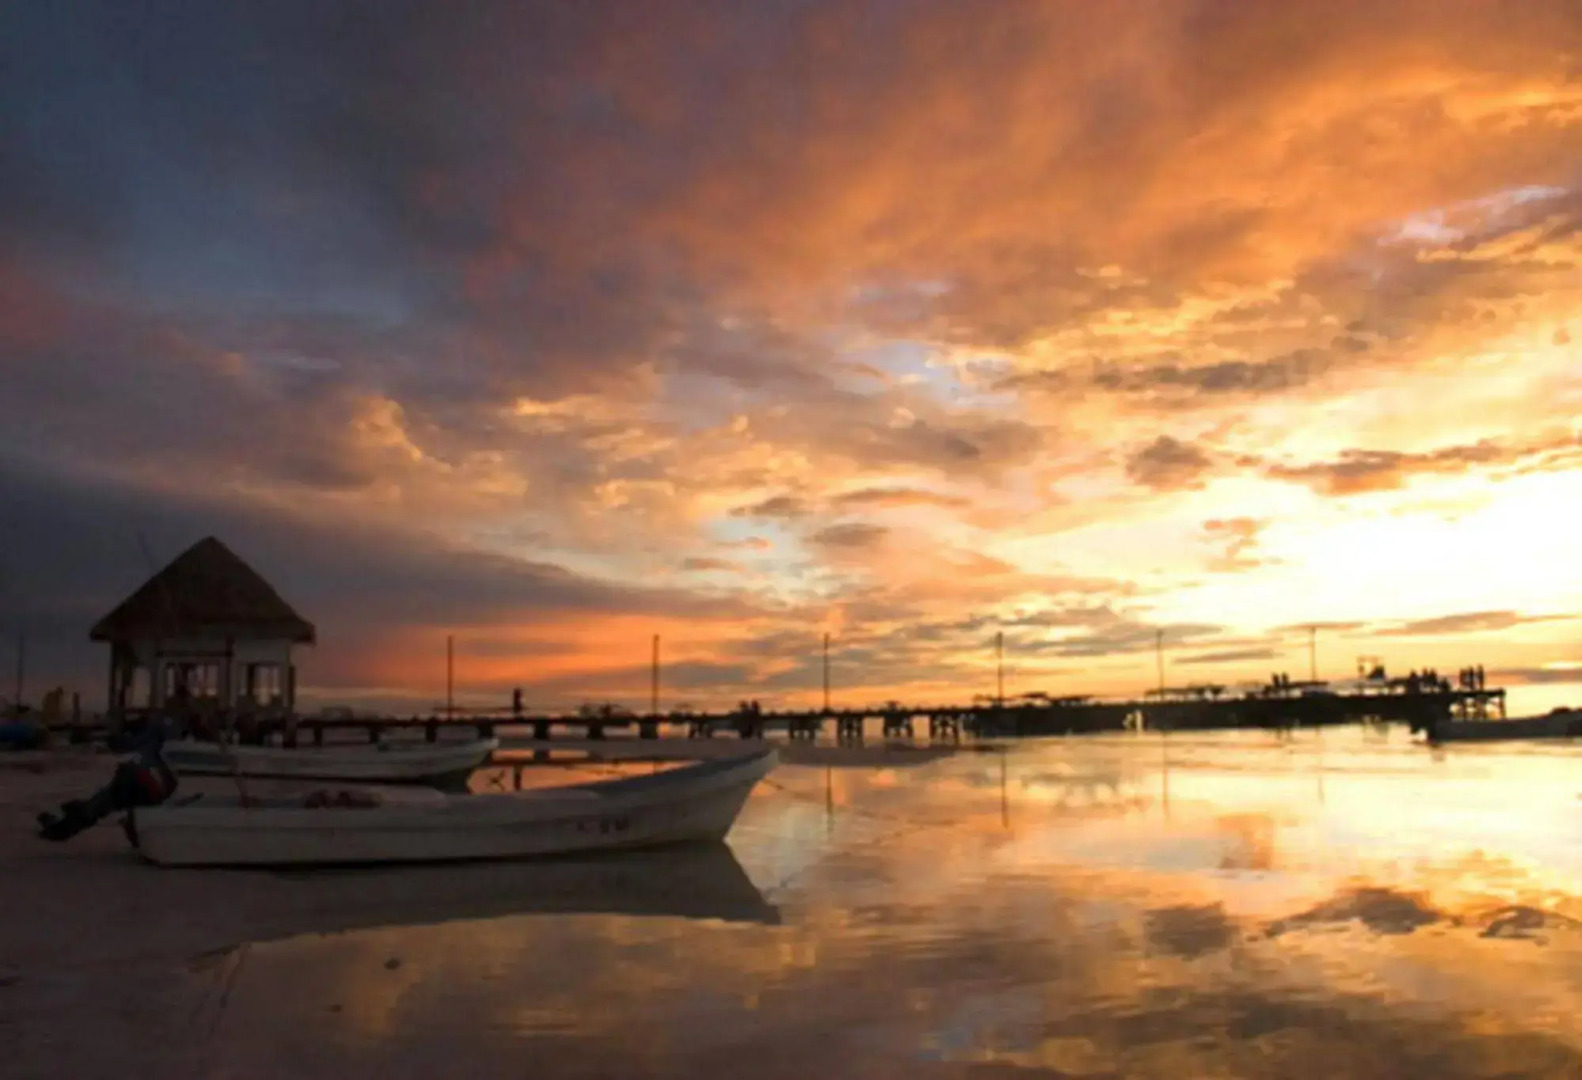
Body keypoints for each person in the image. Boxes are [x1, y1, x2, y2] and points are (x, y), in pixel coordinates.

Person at [37, 713, 181, 842]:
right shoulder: (161, 736)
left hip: (140, 781)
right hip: (147, 784)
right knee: (104, 802)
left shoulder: (154, 735)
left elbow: (127, 746)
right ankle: (67, 821)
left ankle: (63, 825)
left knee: (102, 803)